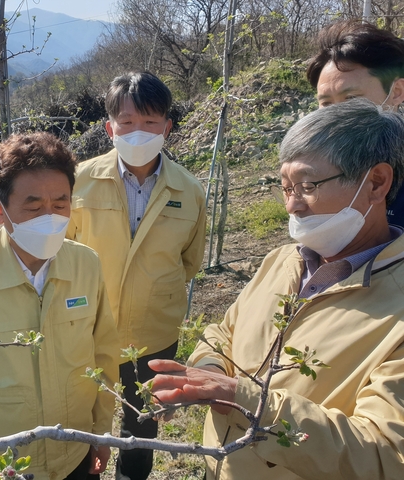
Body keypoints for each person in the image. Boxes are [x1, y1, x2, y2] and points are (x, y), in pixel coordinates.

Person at [149, 99, 404, 480]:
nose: (292, 206)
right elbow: (225, 332)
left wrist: (243, 398)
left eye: (307, 186)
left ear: (376, 182)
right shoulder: (282, 261)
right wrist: (206, 373)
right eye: (285, 188)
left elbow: (384, 457)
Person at [0, 132, 120, 480]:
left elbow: (104, 355)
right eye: (33, 207)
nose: (50, 216)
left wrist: (101, 432)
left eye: (61, 204)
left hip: (72, 453)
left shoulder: (86, 266)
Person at [67, 71, 206, 480]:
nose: (138, 132)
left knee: (140, 425)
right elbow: (61, 255)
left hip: (153, 333)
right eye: (126, 122)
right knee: (77, 421)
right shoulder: (78, 182)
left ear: (167, 127)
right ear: (110, 127)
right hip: (86, 329)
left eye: (149, 122)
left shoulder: (189, 190)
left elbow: (189, 261)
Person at [306, 19, 404, 228]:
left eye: (352, 99)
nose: (337, 114)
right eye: (326, 103)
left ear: (396, 92)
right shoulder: (318, 173)